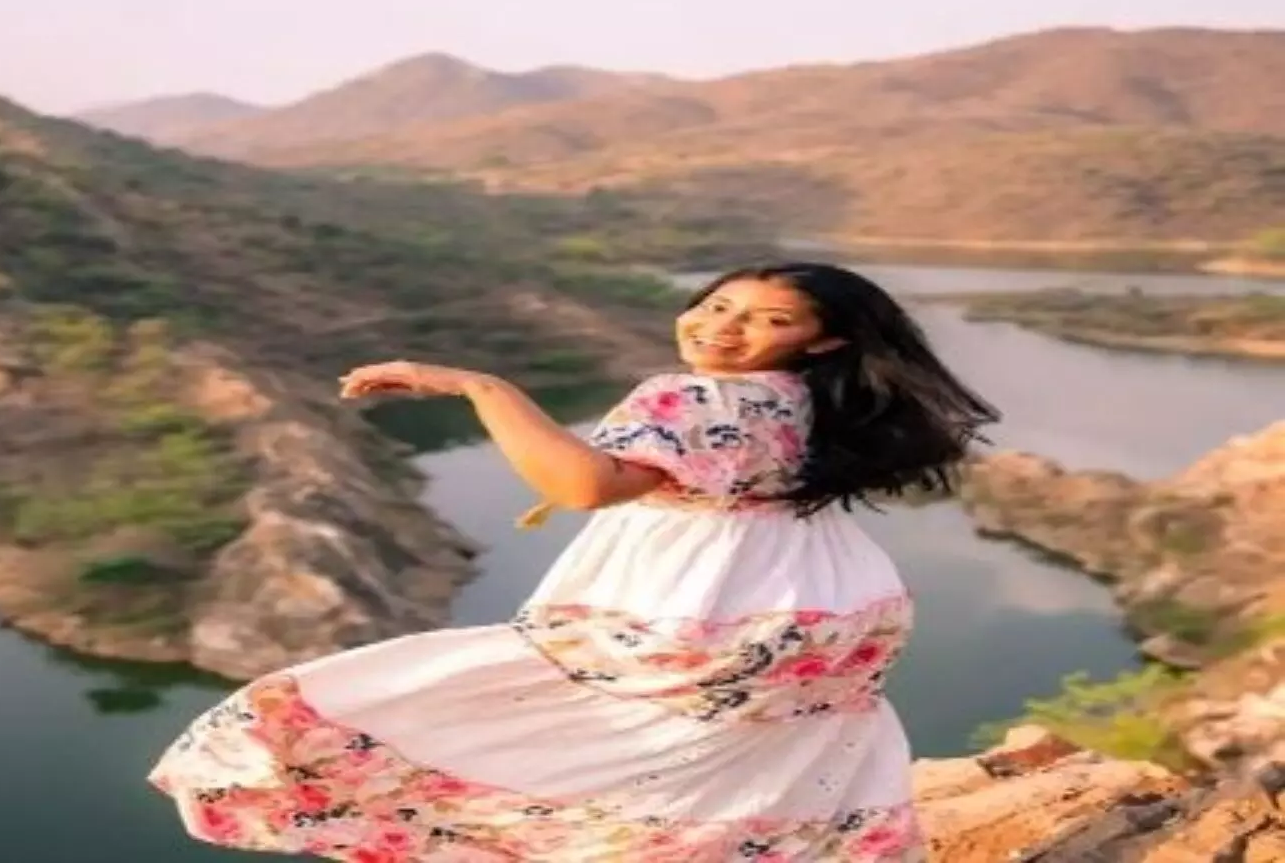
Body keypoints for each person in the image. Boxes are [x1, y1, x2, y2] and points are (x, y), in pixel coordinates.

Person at [148, 261, 1000, 862]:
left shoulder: (688, 396)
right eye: (717, 304)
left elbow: (586, 484)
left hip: (699, 605)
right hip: (835, 609)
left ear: (821, 341)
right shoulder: (822, 400)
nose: (722, 326)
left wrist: (481, 388)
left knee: (364, 707)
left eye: (769, 320)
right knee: (751, 758)